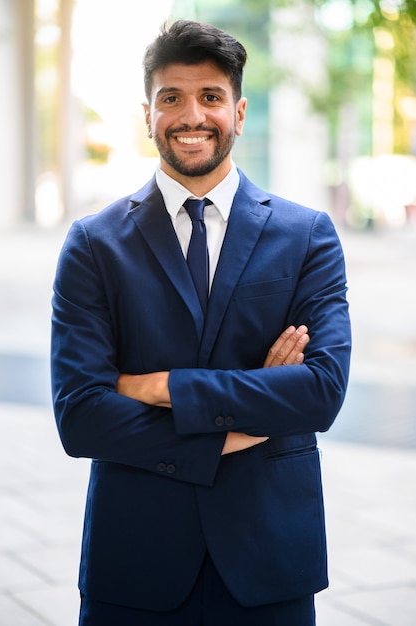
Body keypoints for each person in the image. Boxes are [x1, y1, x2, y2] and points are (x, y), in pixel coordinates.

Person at [51, 19, 351, 626]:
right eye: (172, 98)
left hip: (269, 556)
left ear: (238, 112)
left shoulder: (307, 235)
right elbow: (81, 417)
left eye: (211, 96)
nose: (192, 116)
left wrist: (160, 387)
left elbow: (320, 392)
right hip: (136, 560)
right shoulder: (93, 245)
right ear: (148, 114)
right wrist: (235, 426)